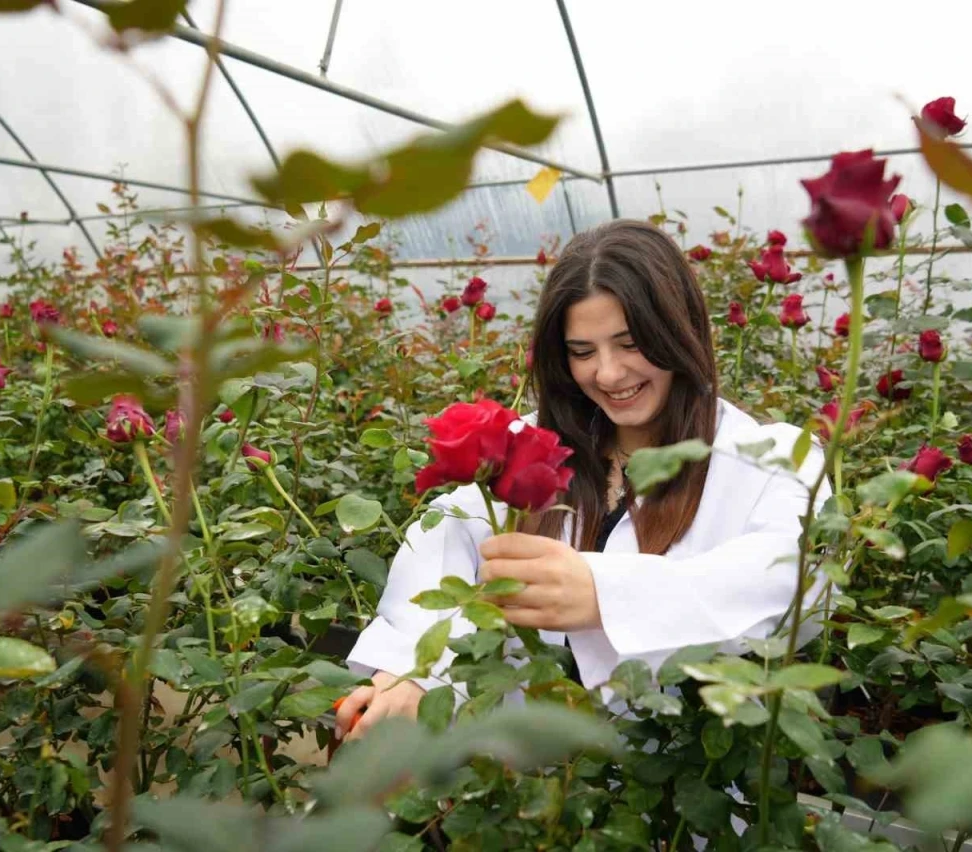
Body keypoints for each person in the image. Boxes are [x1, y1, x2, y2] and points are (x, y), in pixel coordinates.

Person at [338, 219, 829, 741]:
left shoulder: (771, 458)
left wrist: (606, 594)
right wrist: (414, 674)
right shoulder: (535, 444)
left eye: (631, 342)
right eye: (582, 351)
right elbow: (444, 546)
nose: (610, 374)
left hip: (669, 785)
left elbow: (794, 585)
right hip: (522, 782)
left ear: (679, 331)